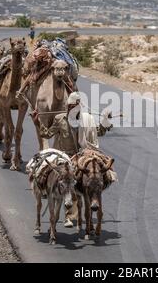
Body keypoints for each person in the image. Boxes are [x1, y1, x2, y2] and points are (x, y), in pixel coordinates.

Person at [35, 92, 117, 227]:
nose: (71, 108)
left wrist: (105, 121)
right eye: (70, 106)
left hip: (82, 156)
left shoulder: (86, 120)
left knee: (97, 175)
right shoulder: (60, 119)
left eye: (74, 106)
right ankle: (46, 193)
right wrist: (37, 121)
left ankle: (77, 212)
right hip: (65, 158)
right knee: (49, 176)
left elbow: (99, 132)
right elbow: (46, 134)